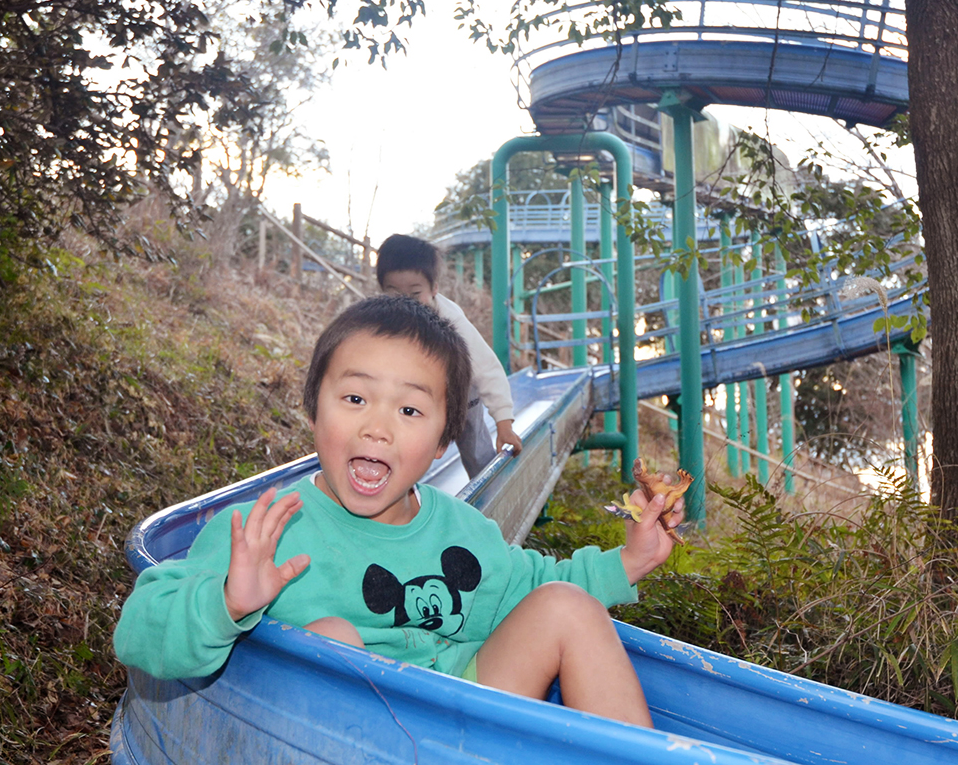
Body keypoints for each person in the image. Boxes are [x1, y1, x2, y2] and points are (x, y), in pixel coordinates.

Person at [113, 295, 684, 727]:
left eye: (411, 410)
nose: (378, 427)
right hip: (331, 741)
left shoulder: (463, 531)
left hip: (457, 725)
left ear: (443, 443)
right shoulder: (266, 531)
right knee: (335, 637)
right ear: (314, 409)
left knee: (565, 605)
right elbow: (139, 633)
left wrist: (627, 562)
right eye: (356, 399)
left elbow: (538, 584)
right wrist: (226, 601)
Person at [375, 233, 521, 478]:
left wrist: (504, 424)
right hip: (418, 390)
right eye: (394, 294)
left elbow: (487, 369)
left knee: (474, 443)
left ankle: (487, 487)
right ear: (381, 290)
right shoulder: (378, 318)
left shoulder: (451, 321)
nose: (404, 304)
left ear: (434, 288)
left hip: (460, 390)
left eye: (414, 295)